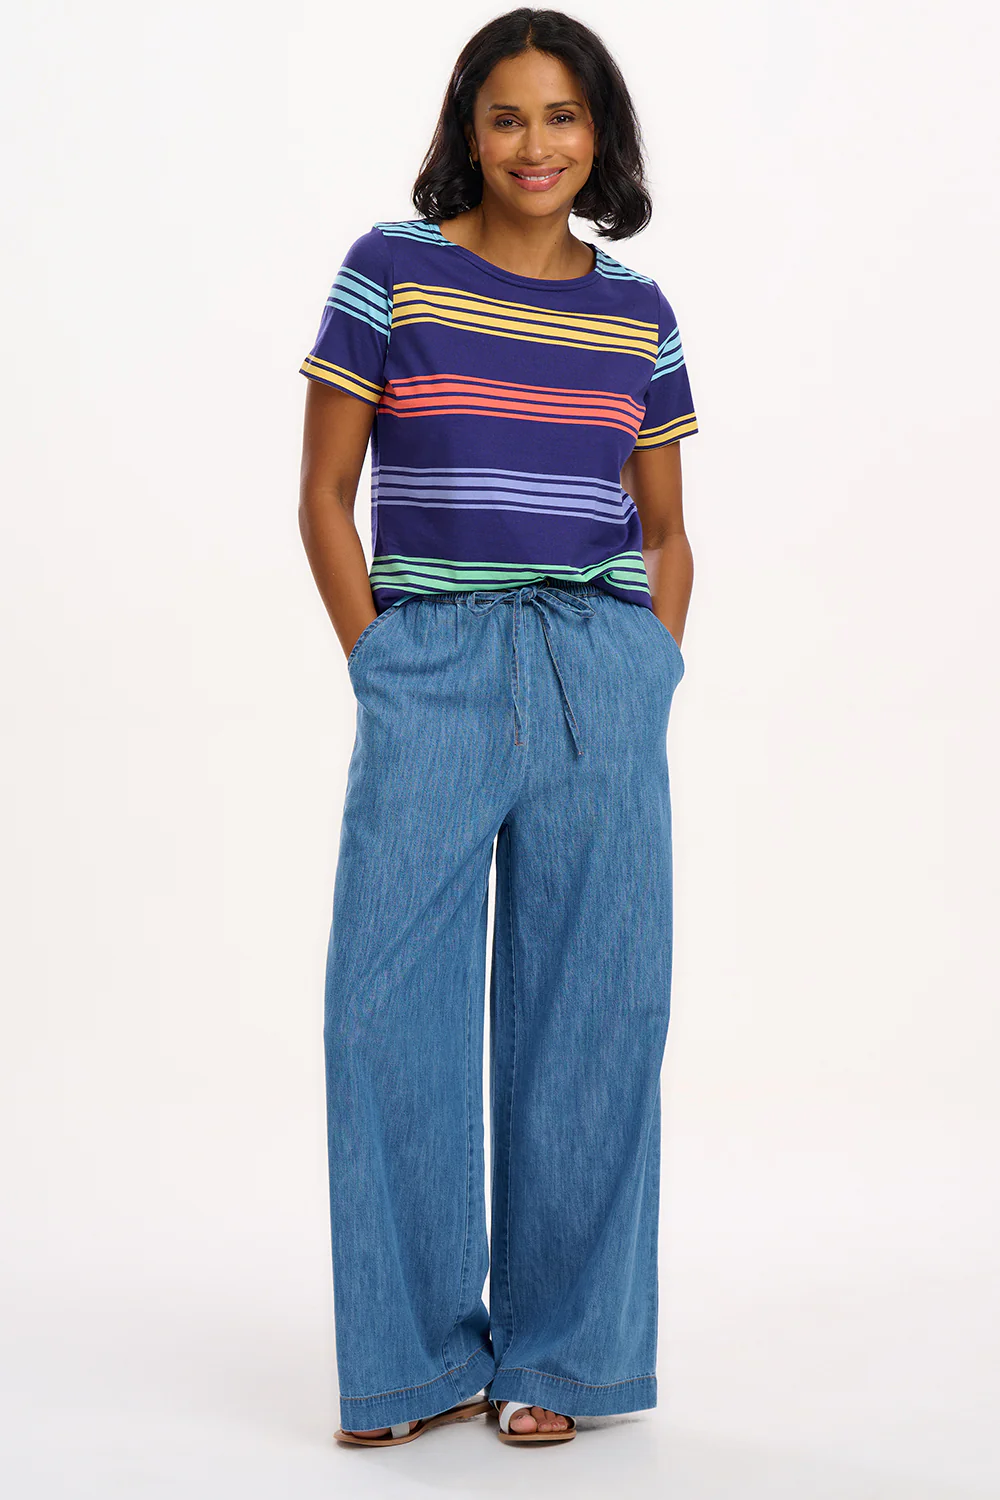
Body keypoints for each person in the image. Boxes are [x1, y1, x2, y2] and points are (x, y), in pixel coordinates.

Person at [297, 7, 698, 1449]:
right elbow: (322, 497)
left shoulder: (638, 312)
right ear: (468, 128)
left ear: (601, 134)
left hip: (599, 669)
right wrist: (382, 659)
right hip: (435, 663)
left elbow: (667, 528)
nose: (537, 144)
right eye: (509, 115)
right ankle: (411, 1364)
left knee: (600, 1012)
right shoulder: (389, 272)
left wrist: (651, 663)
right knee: (381, 1008)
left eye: (564, 116)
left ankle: (563, 1359)